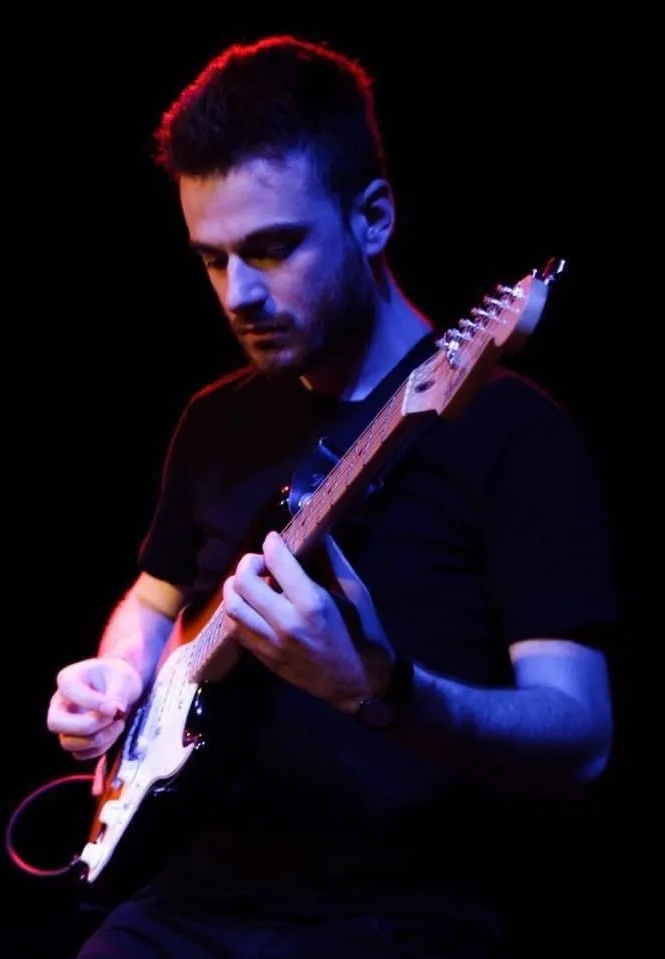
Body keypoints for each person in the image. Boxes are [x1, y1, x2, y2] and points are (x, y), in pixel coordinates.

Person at [45, 34, 617, 958]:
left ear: (374, 218)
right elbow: (151, 604)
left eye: (272, 249)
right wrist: (118, 676)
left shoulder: (515, 433)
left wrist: (383, 691)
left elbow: (582, 737)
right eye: (212, 259)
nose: (238, 294)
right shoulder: (213, 420)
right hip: (190, 896)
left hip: (400, 911)